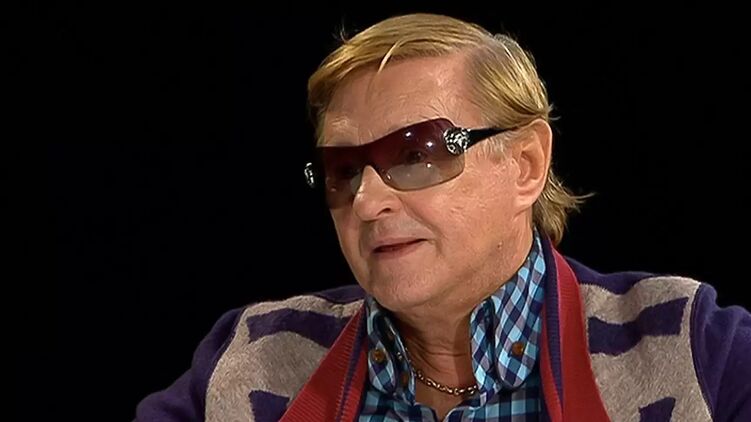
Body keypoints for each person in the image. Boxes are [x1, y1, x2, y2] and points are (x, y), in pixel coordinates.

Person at [135, 13, 751, 421]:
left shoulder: (695, 350)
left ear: (526, 165)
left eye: (415, 154)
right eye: (344, 170)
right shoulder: (252, 360)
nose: (367, 202)